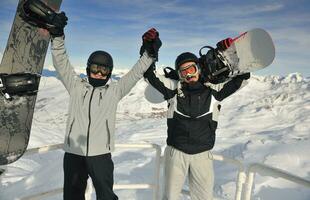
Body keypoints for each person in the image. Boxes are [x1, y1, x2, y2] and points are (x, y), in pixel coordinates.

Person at [38, 11, 161, 200]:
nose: (99, 73)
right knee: (72, 196)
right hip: (74, 154)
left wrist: (149, 55)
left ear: (109, 73)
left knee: (106, 195)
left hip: (101, 155)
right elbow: (61, 62)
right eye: (95, 68)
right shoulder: (76, 86)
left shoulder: (114, 91)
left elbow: (135, 73)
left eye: (104, 70)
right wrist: (57, 36)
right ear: (88, 69)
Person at [144, 40, 250, 200]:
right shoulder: (173, 89)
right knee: (170, 197)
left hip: (202, 155)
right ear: (179, 75)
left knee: (204, 198)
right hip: (176, 154)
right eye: (183, 72)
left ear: (199, 69)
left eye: (191, 69)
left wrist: (228, 53)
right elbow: (148, 75)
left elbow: (242, 78)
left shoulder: (214, 90)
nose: (188, 74)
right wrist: (149, 50)